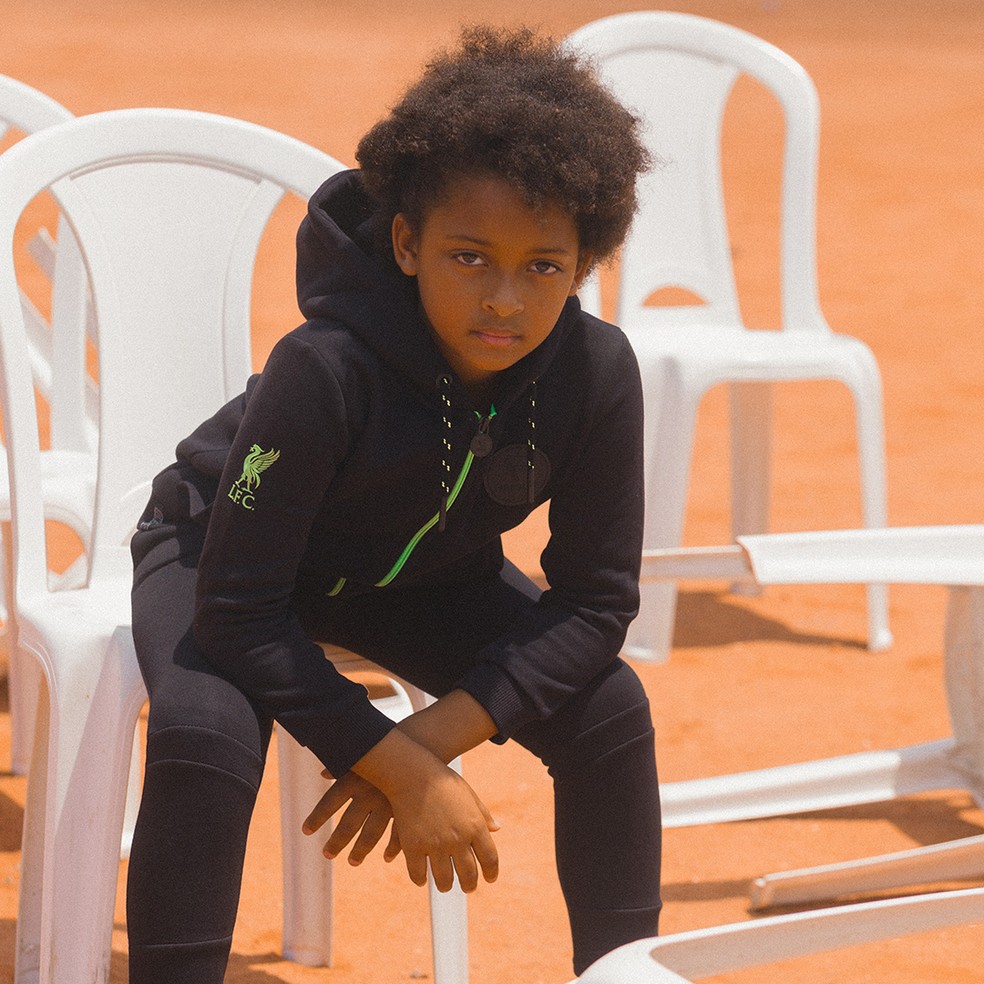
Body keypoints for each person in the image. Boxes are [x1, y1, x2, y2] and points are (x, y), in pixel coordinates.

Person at [127, 24, 661, 982]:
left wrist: (422, 741)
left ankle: (621, 973)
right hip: (224, 556)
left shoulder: (594, 372)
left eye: (542, 265)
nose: (503, 297)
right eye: (469, 257)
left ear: (583, 265)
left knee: (611, 710)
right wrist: (395, 766)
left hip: (415, 578)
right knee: (203, 731)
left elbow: (596, 604)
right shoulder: (324, 368)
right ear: (407, 244)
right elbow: (239, 611)